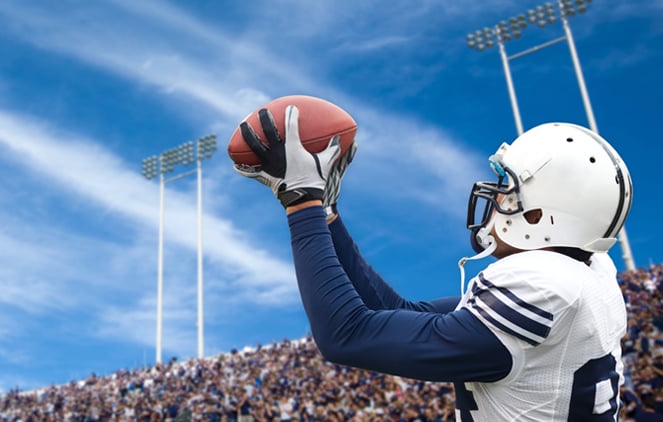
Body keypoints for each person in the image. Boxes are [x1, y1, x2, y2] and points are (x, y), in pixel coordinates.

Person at [233, 104, 634, 420]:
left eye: (507, 190)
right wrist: (326, 213)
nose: (495, 198)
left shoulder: (541, 291)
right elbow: (396, 312)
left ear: (537, 217)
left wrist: (302, 203)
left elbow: (345, 335)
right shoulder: (586, 274)